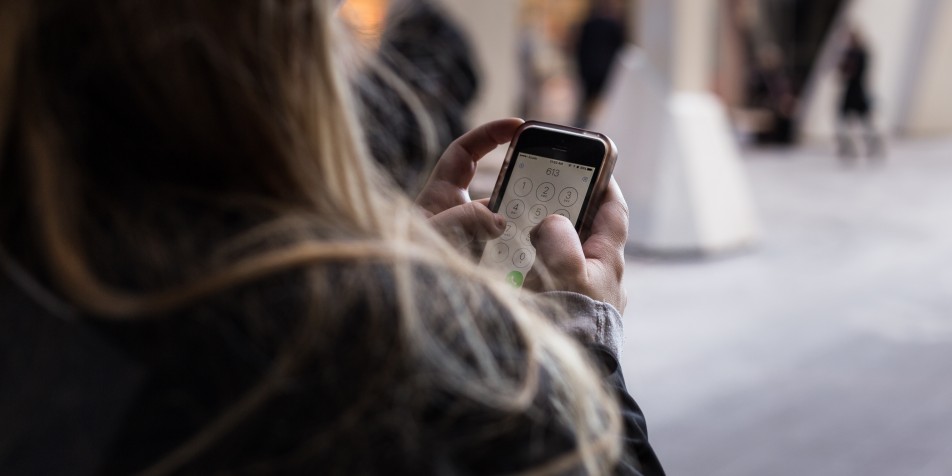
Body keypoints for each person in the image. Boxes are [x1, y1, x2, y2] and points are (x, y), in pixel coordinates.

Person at [0, 1, 663, 475]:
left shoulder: (41, 283)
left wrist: (409, 268)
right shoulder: (387, 362)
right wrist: (582, 339)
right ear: (290, 45)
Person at [355, 0, 480, 193]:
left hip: (396, 185)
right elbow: (472, 81)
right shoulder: (441, 30)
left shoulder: (410, 30)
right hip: (433, 155)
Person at [573, 0, 627, 128]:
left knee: (590, 98)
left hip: (592, 69)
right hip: (603, 69)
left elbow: (580, 48)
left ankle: (585, 123)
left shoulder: (590, 25)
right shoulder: (612, 26)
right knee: (602, 98)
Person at [836, 29, 883, 161]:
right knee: (845, 119)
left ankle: (873, 145)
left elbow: (856, 71)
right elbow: (843, 70)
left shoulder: (861, 53)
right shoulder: (850, 53)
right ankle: (847, 146)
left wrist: (848, 70)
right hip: (851, 91)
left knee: (864, 121)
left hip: (858, 91)